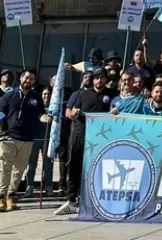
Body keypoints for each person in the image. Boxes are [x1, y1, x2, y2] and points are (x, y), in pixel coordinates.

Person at [55, 70, 113, 216]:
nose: (99, 81)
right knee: (74, 167)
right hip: (80, 135)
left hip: (100, 137)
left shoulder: (112, 94)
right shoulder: (83, 94)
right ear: (92, 80)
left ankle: (93, 200)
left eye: (102, 78)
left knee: (97, 168)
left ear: (106, 80)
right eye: (97, 78)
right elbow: (70, 111)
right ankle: (71, 201)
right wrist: (73, 112)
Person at [0, 70, 52, 212]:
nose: (28, 80)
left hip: (27, 139)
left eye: (32, 78)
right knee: (4, 167)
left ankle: (11, 195)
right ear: (21, 78)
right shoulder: (9, 95)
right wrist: (0, 133)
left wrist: (44, 118)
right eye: (26, 77)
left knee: (19, 170)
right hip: (8, 137)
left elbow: (40, 114)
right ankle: (1, 197)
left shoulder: (36, 98)